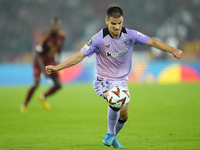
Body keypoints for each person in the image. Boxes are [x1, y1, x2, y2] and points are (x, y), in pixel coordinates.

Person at [45, 6, 183, 149]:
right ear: (107, 21)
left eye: (120, 23)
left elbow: (153, 42)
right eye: (113, 23)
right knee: (116, 99)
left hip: (121, 81)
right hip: (103, 81)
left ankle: (113, 137)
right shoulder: (99, 38)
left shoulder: (130, 35)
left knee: (125, 115)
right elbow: (80, 55)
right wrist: (57, 67)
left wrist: (172, 50)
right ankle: (111, 133)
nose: (117, 27)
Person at [21, 17, 66, 113]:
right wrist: (43, 69)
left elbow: (59, 49)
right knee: (36, 83)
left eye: (57, 25)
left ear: (59, 26)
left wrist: (58, 60)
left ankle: (43, 96)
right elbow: (36, 53)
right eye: (54, 25)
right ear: (51, 26)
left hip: (51, 62)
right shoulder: (45, 37)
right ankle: (24, 104)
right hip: (39, 61)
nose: (55, 27)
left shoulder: (62, 36)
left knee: (59, 85)